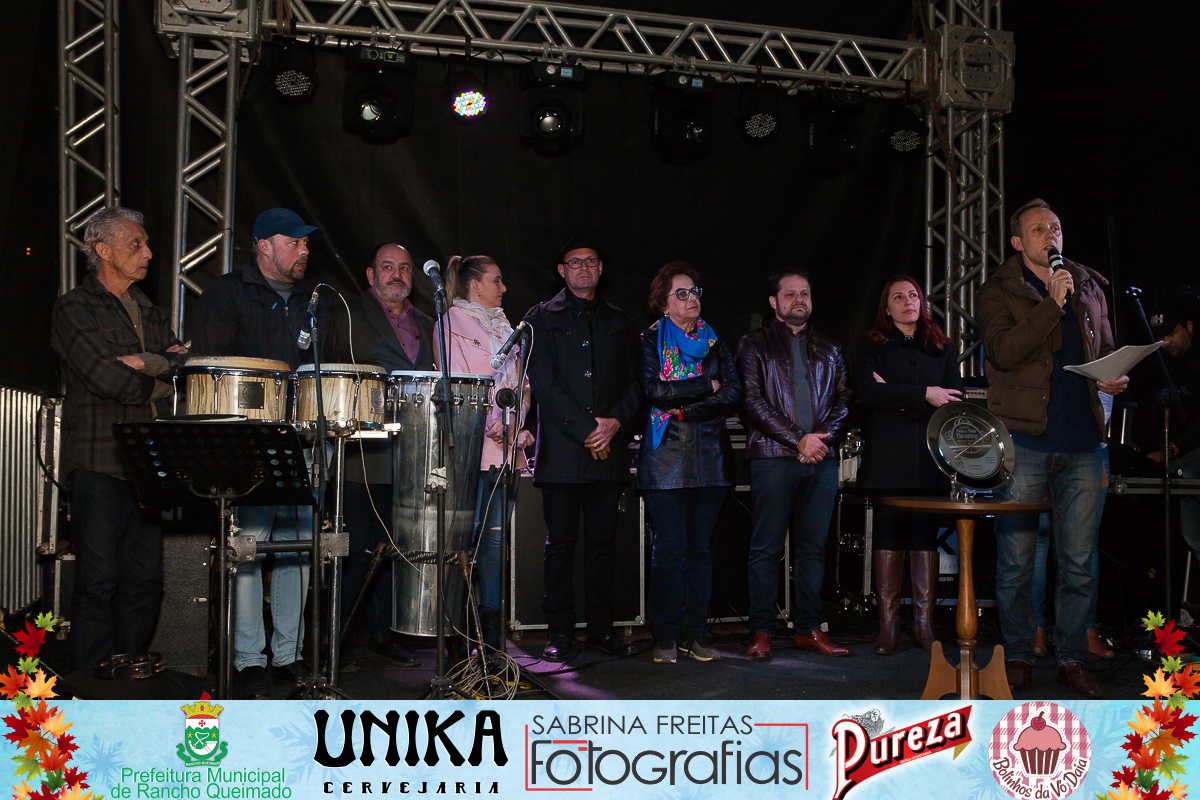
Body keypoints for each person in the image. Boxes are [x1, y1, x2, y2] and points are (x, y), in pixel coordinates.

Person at [977, 198, 1128, 698]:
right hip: (1025, 440)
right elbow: (1002, 352)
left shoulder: (1089, 284)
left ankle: (1071, 657)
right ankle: (1018, 653)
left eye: (1056, 227)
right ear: (1019, 243)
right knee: (1017, 558)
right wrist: (1050, 305)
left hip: (1085, 441)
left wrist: (1112, 376)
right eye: (1039, 229)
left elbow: (1102, 347)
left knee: (1078, 560)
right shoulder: (998, 290)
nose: (1051, 235)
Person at [193, 207, 339, 698]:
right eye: (294, 242)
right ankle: (249, 659)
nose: (304, 250)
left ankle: (290, 655)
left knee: (299, 546)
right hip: (248, 442)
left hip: (303, 441)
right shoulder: (226, 293)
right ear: (263, 245)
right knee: (249, 544)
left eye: (305, 243)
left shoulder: (312, 301)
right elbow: (212, 366)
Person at [50, 206, 187, 671]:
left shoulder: (150, 310)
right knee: (97, 579)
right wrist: (156, 368)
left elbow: (182, 366)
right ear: (103, 251)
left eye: (147, 244)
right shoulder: (74, 307)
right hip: (99, 460)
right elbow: (102, 377)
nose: (148, 253)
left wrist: (141, 361)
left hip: (147, 464)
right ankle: (89, 682)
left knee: (145, 581)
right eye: (137, 244)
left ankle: (130, 674)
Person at [523, 236, 641, 662]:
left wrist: (613, 424)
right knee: (560, 545)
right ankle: (559, 632)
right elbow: (545, 385)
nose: (584, 268)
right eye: (575, 262)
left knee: (604, 545)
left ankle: (602, 630)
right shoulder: (539, 318)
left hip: (609, 451)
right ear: (562, 271)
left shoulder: (620, 319)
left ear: (600, 269)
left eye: (591, 261)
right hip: (564, 453)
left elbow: (635, 384)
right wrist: (587, 430)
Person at [736, 269, 853, 660]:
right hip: (772, 458)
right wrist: (798, 439)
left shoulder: (831, 347)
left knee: (813, 549)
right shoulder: (754, 344)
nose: (798, 299)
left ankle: (808, 629)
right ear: (774, 302)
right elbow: (751, 403)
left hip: (820, 460)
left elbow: (845, 401)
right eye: (790, 294)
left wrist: (819, 441)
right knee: (765, 548)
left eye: (804, 293)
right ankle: (761, 631)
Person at [335, 242, 435, 669]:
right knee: (357, 553)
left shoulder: (430, 323)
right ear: (371, 275)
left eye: (405, 268)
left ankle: (383, 635)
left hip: (414, 455)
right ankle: (334, 642)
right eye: (388, 267)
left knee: (397, 550)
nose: (397, 274)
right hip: (363, 453)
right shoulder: (345, 315)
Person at [636, 262, 741, 664]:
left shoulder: (715, 341)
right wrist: (702, 387)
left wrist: (686, 410)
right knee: (670, 551)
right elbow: (654, 391)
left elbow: (732, 394)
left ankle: (693, 634)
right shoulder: (649, 340)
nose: (691, 298)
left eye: (695, 291)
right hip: (665, 460)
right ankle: (664, 636)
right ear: (663, 303)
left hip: (711, 457)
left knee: (700, 552)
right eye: (681, 293)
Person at [856, 275, 963, 655]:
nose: (907, 301)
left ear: (922, 302)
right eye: (897, 297)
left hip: (929, 457)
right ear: (886, 307)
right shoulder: (873, 346)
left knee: (923, 538)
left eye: (913, 295)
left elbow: (953, 397)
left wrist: (897, 395)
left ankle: (923, 625)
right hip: (888, 456)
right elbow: (868, 392)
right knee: (887, 535)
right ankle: (888, 627)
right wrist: (923, 394)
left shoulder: (942, 346)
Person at [435, 255, 534, 659]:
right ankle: (458, 638)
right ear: (476, 286)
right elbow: (456, 380)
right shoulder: (451, 323)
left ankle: (492, 642)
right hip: (471, 449)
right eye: (497, 280)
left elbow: (523, 383)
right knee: (464, 542)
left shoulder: (506, 327)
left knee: (495, 545)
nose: (504, 288)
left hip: (504, 451)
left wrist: (515, 419)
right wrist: (493, 417)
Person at [1030, 390, 1115, 661]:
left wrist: (1118, 378)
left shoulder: (1096, 345)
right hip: (1037, 445)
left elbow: (1106, 394)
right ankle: (1035, 628)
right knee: (1037, 540)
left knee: (1085, 544)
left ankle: (1085, 631)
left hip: (1090, 446)